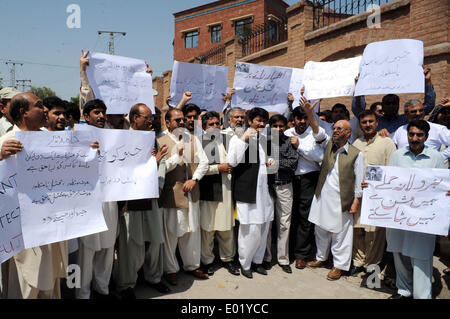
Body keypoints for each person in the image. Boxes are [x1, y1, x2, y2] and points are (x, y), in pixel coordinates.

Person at [0, 93, 68, 298]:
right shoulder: (6, 143)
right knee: (26, 284)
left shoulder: (51, 140)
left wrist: (90, 154)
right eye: (39, 106)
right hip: (23, 234)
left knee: (50, 285)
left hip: (51, 226)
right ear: (24, 112)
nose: (44, 110)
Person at [382, 120, 446, 299]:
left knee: (421, 255)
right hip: (399, 214)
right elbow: (388, 182)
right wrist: (372, 186)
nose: (415, 138)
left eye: (419, 135)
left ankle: (422, 294)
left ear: (426, 136)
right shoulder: (397, 155)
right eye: (411, 134)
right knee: (399, 252)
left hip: (423, 217)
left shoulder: (436, 157)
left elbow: (441, 185)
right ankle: (404, 290)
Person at [114, 103, 170, 298]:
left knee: (155, 240)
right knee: (132, 244)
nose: (151, 121)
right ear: (134, 118)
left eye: (152, 118)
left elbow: (161, 163)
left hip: (151, 196)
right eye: (146, 118)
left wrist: (159, 185)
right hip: (131, 198)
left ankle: (154, 277)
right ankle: (126, 284)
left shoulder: (151, 138)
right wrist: (152, 163)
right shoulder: (122, 139)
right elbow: (124, 169)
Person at [307, 113, 365, 281]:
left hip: (342, 200)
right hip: (323, 197)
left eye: (340, 128)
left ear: (348, 133)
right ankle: (320, 258)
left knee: (341, 234)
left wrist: (356, 201)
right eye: (334, 128)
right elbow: (317, 131)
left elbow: (359, 181)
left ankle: (339, 266)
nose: (336, 130)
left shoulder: (356, 154)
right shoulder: (329, 145)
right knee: (321, 230)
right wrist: (309, 112)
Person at [158, 108, 210, 285]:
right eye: (177, 120)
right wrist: (176, 155)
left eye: (182, 120)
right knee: (172, 233)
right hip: (172, 195)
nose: (181, 123)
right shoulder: (161, 141)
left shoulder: (193, 139)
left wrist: (195, 179)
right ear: (168, 123)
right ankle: (170, 269)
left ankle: (192, 265)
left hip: (191, 193)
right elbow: (161, 169)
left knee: (192, 231)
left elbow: (204, 163)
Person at [76, 99, 119, 299]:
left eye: (103, 112)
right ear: (86, 116)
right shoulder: (77, 137)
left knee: (108, 246)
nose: (101, 116)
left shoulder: (112, 136)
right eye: (96, 112)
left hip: (110, 199)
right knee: (87, 250)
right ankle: (82, 293)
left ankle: (102, 289)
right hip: (88, 202)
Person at [227, 107, 274, 278]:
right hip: (248, 191)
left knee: (263, 227)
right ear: (250, 121)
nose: (261, 124)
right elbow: (232, 161)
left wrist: (269, 162)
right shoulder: (237, 138)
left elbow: (265, 161)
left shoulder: (264, 139)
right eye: (258, 120)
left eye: (264, 121)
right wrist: (244, 139)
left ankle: (257, 262)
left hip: (264, 192)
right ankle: (245, 263)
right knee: (249, 230)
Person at [350, 110, 397, 277]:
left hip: (378, 196)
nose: (368, 125)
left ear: (377, 123)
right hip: (358, 194)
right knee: (358, 229)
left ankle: (372, 265)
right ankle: (358, 261)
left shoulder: (387, 142)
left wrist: (378, 186)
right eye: (364, 122)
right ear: (360, 125)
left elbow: (392, 169)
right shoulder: (356, 143)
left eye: (371, 121)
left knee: (374, 233)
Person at [284, 100, 327, 270]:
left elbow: (320, 157)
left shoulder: (313, 135)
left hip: (308, 179)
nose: (302, 122)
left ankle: (301, 255)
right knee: (288, 216)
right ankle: (287, 251)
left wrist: (299, 146)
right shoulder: (286, 133)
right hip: (288, 180)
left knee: (304, 218)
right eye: (298, 118)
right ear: (293, 119)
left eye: (305, 118)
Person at [198, 112, 239, 276]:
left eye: (217, 124)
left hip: (227, 190)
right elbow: (196, 169)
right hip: (208, 190)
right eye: (211, 124)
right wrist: (217, 168)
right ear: (203, 127)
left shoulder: (229, 141)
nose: (215, 127)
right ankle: (207, 261)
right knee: (208, 229)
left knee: (226, 228)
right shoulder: (199, 142)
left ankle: (228, 259)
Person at [352, 66, 436, 134]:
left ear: (398, 105)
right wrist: (359, 89)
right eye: (388, 103)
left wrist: (427, 82)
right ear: (383, 105)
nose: (391, 106)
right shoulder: (375, 121)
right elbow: (358, 111)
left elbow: (429, 105)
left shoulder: (406, 119)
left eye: (394, 103)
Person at [263, 114, 299, 273]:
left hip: (285, 186)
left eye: (281, 126)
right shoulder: (263, 142)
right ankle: (266, 257)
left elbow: (293, 163)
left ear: (286, 126)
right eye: (275, 126)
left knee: (284, 223)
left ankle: (283, 259)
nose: (278, 129)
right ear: (270, 126)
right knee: (267, 223)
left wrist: (276, 163)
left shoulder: (290, 141)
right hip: (267, 186)